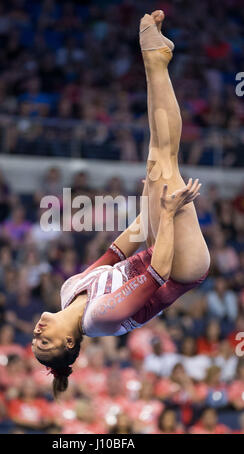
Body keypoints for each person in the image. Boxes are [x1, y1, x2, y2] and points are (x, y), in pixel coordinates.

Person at [32, 10, 209, 399]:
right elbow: (159, 273)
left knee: (155, 158)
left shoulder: (69, 290)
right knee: (164, 160)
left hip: (153, 248)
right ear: (70, 345)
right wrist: (164, 210)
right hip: (180, 268)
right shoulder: (100, 319)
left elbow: (116, 253)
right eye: (45, 343)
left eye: (35, 339)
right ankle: (155, 61)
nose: (38, 333)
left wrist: (146, 213)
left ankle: (156, 60)